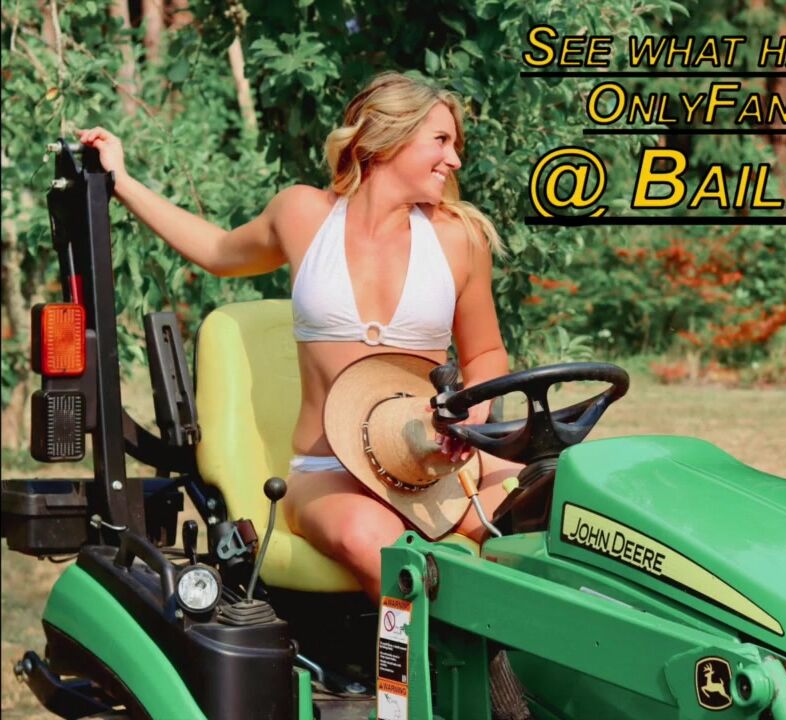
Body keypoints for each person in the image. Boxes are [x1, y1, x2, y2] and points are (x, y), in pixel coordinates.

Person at [80, 71, 520, 602]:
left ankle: (517, 655)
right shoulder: (303, 214)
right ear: (387, 138)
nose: (454, 160)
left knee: (539, 526)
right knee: (382, 545)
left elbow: (485, 352)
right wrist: (122, 181)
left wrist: (474, 410)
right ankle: (413, 659)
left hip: (431, 464)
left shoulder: (459, 238)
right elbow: (217, 252)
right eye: (441, 140)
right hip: (329, 472)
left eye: (455, 144)